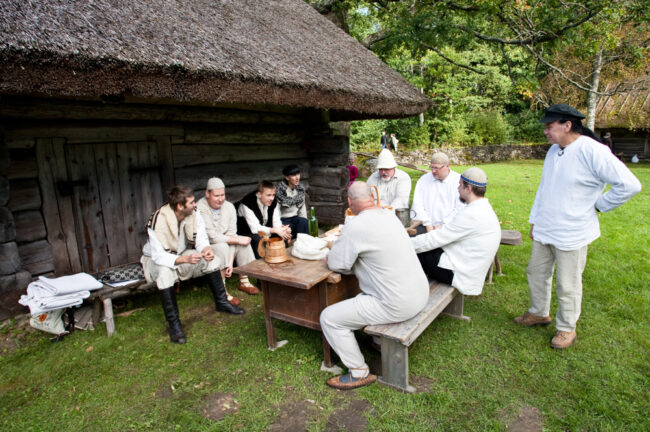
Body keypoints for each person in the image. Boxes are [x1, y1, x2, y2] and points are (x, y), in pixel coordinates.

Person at [514, 104, 641, 349]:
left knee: (568, 283)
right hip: (546, 227)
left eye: (549, 126)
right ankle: (539, 312)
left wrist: (599, 206)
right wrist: (535, 220)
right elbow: (544, 188)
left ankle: (566, 328)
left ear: (567, 125)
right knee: (536, 273)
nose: (545, 131)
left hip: (573, 232)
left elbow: (630, 185)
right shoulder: (554, 151)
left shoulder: (594, 151)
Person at [321, 182, 429, 389]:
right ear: (372, 197)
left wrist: (330, 256)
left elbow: (337, 264)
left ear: (350, 202)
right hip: (419, 293)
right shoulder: (390, 216)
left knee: (329, 318)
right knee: (367, 290)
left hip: (398, 304)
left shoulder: (355, 224)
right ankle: (375, 341)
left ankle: (359, 372)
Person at [141, 186, 244, 344]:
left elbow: (201, 239)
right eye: (191, 202)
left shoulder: (193, 215)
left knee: (212, 260)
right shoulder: (157, 220)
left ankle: (222, 302)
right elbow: (159, 256)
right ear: (180, 206)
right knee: (165, 273)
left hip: (181, 254)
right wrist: (185, 260)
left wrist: (206, 249)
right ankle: (174, 325)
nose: (195, 204)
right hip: (156, 261)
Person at [411, 167, 501, 295]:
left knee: (415, 252)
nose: (457, 189)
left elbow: (436, 239)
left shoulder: (472, 214)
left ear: (468, 189)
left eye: (459, 185)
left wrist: (404, 244)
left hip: (461, 274)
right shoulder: (483, 208)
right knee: (421, 243)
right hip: (468, 265)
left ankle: (407, 292)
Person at [197, 177, 259, 297]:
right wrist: (237, 239)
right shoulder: (200, 207)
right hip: (208, 246)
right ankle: (222, 289)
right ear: (207, 194)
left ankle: (244, 281)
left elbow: (231, 234)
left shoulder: (229, 207)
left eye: (222, 195)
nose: (220, 199)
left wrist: (230, 263)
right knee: (223, 246)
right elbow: (212, 236)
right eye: (216, 195)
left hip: (225, 242)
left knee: (242, 244)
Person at [410, 152, 464, 234]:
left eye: (437, 168)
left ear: (447, 166)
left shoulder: (458, 181)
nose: (433, 171)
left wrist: (442, 225)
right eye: (431, 167)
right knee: (408, 241)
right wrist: (427, 224)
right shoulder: (424, 180)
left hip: (450, 226)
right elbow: (417, 204)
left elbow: (461, 208)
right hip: (425, 225)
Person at [236, 180, 292, 258]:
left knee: (282, 235)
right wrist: (275, 230)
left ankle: (281, 259)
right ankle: (260, 266)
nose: (272, 198)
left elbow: (276, 223)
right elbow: (255, 229)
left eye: (273, 195)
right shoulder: (247, 203)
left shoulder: (273, 202)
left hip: (263, 231)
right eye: (268, 195)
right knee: (259, 238)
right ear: (259, 194)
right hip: (247, 234)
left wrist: (283, 230)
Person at [275, 165, 308, 239]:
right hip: (283, 219)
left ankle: (303, 244)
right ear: (287, 177)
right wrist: (280, 226)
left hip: (295, 218)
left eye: (298, 174)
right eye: (293, 175)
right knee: (286, 230)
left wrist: (304, 221)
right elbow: (276, 211)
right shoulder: (280, 191)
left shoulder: (300, 190)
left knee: (303, 222)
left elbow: (302, 209)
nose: (297, 178)